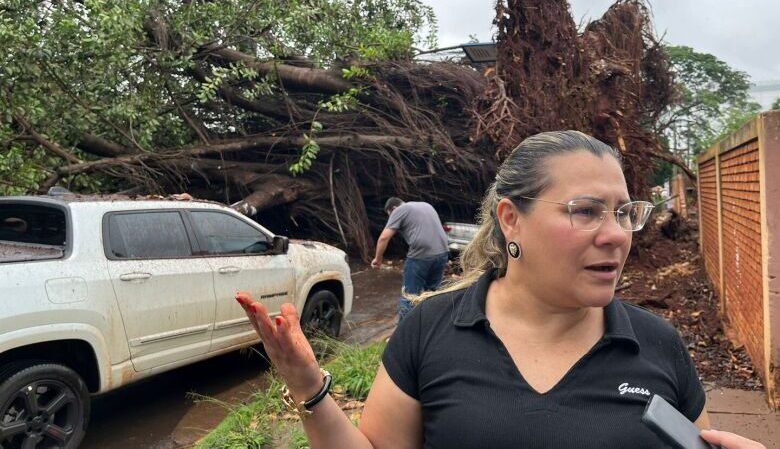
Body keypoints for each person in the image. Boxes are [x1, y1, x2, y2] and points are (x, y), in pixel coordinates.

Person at [234, 130, 766, 449]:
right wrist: (309, 386)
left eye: (624, 213)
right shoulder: (430, 330)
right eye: (586, 211)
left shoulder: (658, 345)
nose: (616, 235)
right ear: (511, 220)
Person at [370, 197, 449, 322]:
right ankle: (430, 328)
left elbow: (384, 238)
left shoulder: (399, 210)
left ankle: (404, 335)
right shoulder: (426, 205)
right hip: (442, 253)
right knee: (433, 294)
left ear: (393, 208)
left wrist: (378, 259)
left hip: (421, 255)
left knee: (410, 296)